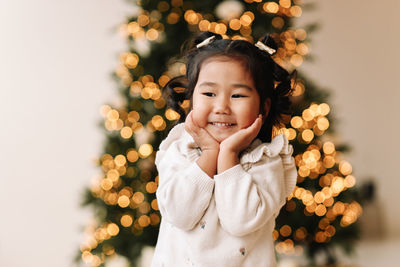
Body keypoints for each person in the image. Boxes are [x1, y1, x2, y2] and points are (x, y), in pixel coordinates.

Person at [151, 31, 298, 267]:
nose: (221, 107)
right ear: (190, 100)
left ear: (264, 107)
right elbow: (178, 214)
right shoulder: (179, 151)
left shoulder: (267, 161)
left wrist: (228, 156)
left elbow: (242, 221)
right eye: (209, 93)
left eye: (238, 95)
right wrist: (210, 154)